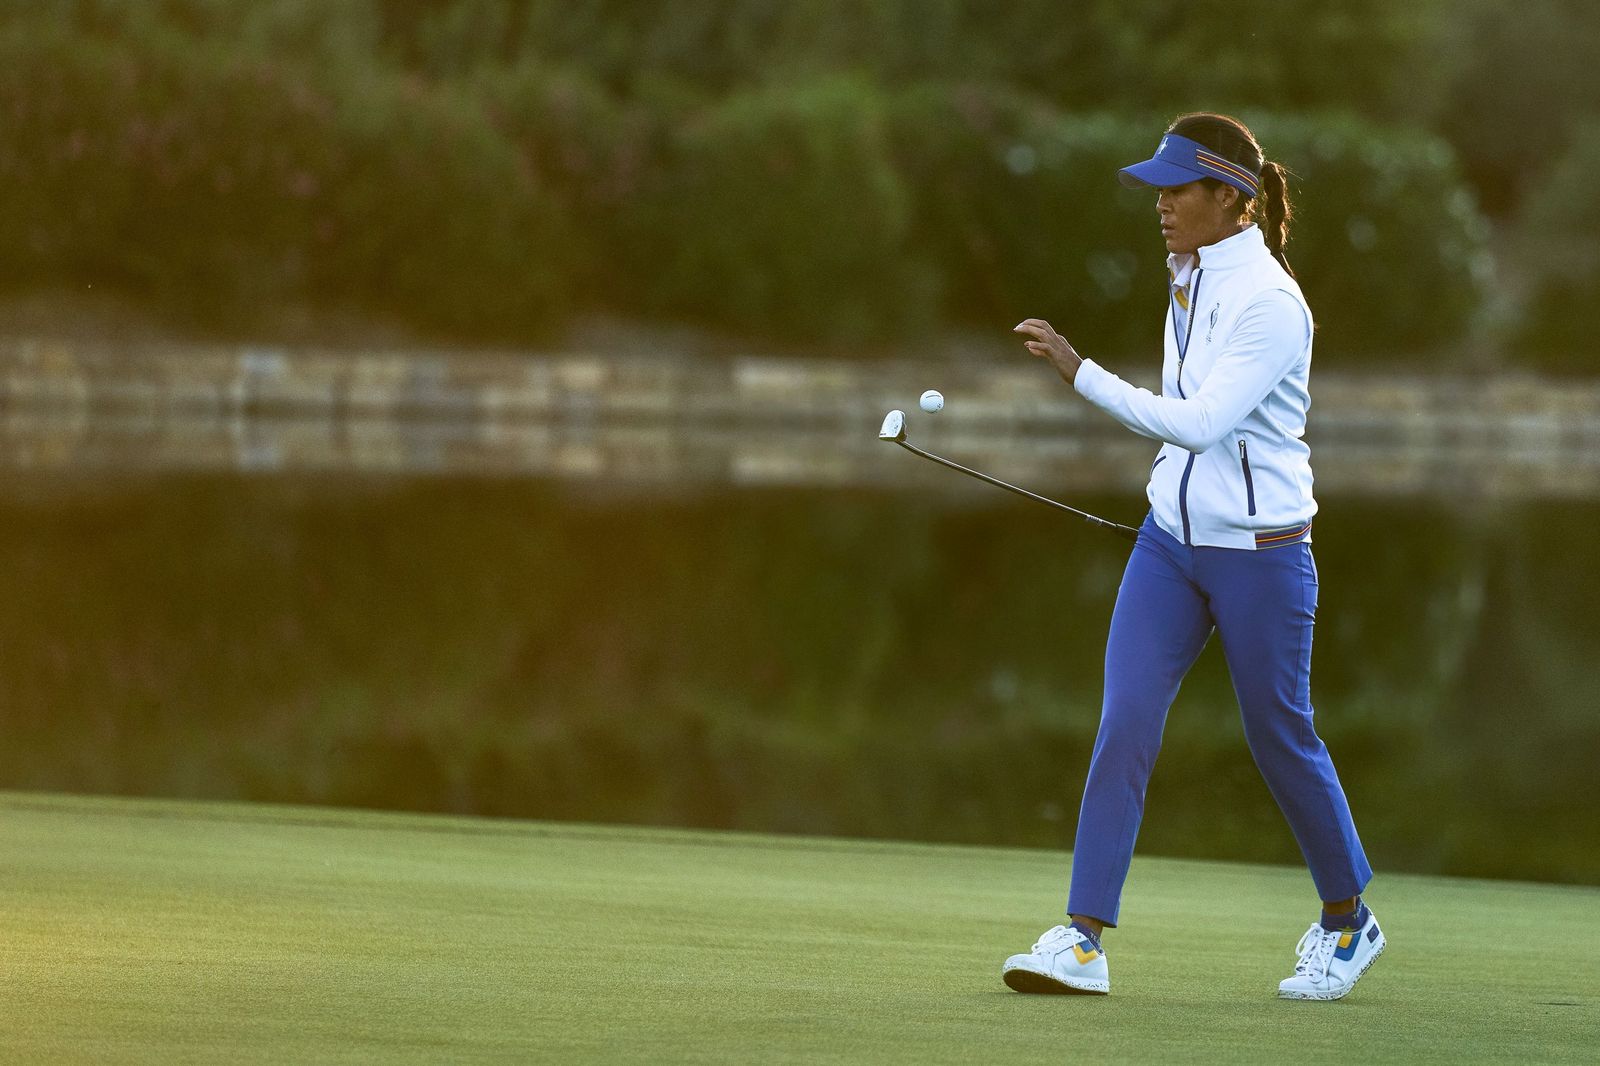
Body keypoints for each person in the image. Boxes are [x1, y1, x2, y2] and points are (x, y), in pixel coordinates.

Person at [1001, 113, 1384, 1001]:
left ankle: (1347, 921)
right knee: (1125, 721)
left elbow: (1203, 423)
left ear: (1231, 198)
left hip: (1261, 556)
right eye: (1159, 190)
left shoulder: (1272, 303)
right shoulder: (1187, 273)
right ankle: (1081, 940)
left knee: (1279, 737)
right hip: (1169, 547)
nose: (1161, 205)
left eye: (1177, 190)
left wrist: (1080, 372)